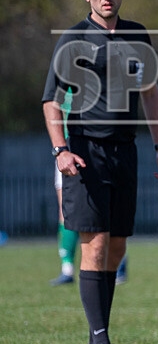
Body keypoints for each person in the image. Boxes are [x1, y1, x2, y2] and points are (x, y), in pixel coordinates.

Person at [42, 0, 158, 344]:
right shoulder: (73, 38)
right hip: (85, 152)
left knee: (116, 249)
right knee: (95, 245)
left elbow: (150, 93)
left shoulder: (138, 34)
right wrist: (61, 150)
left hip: (126, 151)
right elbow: (50, 100)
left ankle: (97, 340)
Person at [49, 91, 129, 287]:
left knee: (107, 210)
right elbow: (50, 107)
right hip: (68, 150)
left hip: (99, 148)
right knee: (65, 211)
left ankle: (117, 262)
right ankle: (67, 268)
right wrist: (60, 148)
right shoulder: (62, 77)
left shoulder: (94, 76)